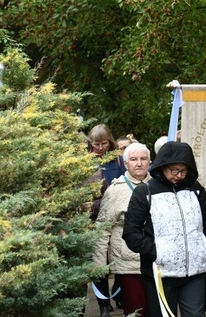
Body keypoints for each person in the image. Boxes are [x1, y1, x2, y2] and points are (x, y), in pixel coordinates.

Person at [122, 141, 206, 317]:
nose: (179, 175)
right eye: (174, 170)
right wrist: (156, 252)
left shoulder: (196, 190)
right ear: (162, 167)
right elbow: (130, 232)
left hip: (195, 272)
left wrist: (205, 247)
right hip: (161, 274)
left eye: (183, 170)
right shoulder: (145, 192)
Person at [93, 143, 152, 317]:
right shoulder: (115, 191)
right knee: (136, 310)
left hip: (157, 260)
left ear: (150, 162)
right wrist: (99, 266)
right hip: (128, 264)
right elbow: (102, 230)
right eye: (134, 159)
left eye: (143, 159)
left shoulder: (159, 186)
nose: (139, 163)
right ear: (125, 164)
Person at [88, 124, 126, 314]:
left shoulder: (118, 160)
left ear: (110, 141)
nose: (101, 147)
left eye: (104, 143)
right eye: (97, 144)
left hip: (117, 218)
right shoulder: (86, 161)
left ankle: (118, 296)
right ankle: (103, 304)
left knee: (119, 260)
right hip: (94, 219)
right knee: (99, 263)